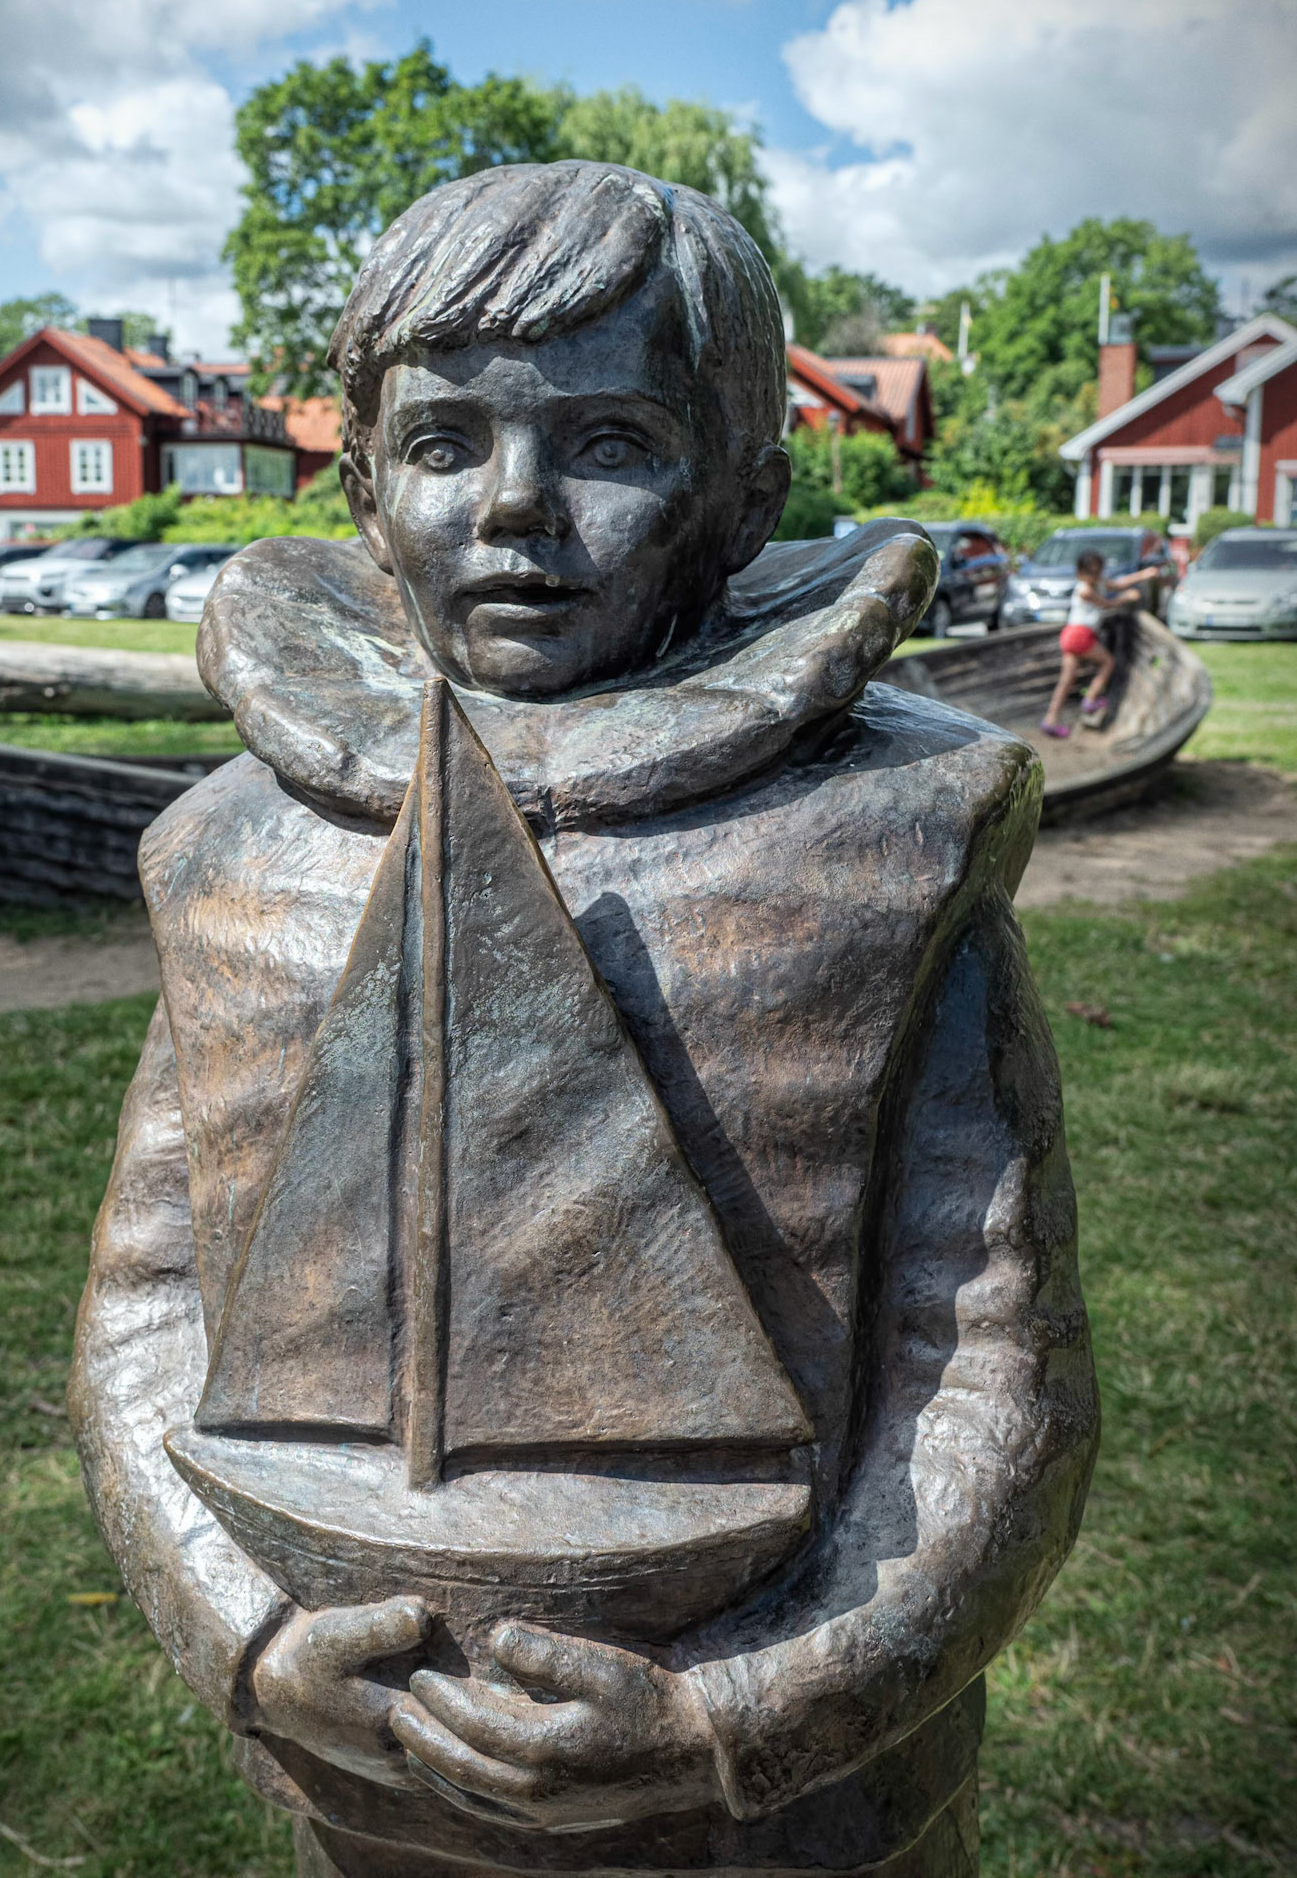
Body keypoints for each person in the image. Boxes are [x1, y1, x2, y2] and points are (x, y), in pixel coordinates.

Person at [71, 161, 1097, 1877]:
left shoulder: (893, 850)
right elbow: (148, 1305)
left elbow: (995, 1367)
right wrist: (244, 1639)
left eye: (610, 442)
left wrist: (746, 1715)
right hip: (371, 1788)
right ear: (362, 487)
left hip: (795, 1825)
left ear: (744, 490)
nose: (516, 508)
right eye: (445, 442)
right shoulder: (232, 853)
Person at [1040, 548, 1158, 739]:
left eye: (1097, 572)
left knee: (1067, 680)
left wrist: (1144, 574)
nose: (1095, 576)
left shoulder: (1098, 583)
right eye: (1091, 572)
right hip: (1080, 635)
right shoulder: (1085, 590)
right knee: (1108, 662)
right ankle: (1090, 699)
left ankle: (1050, 720)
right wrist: (1126, 598)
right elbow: (1106, 604)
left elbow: (1119, 584)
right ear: (1081, 573)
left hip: (1071, 635)